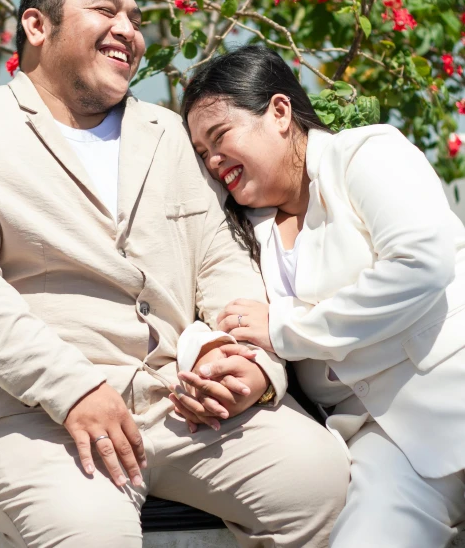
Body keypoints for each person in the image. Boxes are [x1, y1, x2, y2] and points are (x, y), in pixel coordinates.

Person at [0, 0, 349, 548]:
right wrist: (71, 388)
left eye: (134, 17)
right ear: (37, 26)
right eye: (106, 10)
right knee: (91, 534)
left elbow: (221, 256)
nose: (129, 29)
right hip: (29, 412)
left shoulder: (170, 134)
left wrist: (250, 364)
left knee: (322, 480)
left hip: (179, 398)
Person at [178, 44, 465, 548]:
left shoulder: (365, 154)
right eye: (202, 153)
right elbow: (226, 314)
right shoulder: (245, 229)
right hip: (379, 443)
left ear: (280, 112)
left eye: (219, 136)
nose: (212, 159)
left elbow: (422, 262)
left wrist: (286, 329)